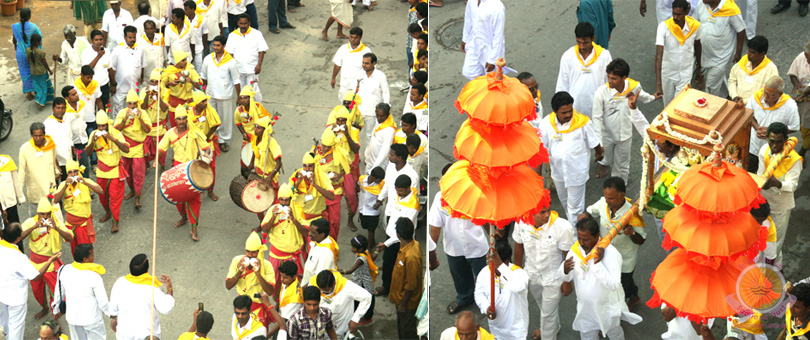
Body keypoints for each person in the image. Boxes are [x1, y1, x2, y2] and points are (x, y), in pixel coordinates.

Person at [559, 218, 642, 340]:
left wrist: (597, 264)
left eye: (586, 239)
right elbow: (567, 275)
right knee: (587, 335)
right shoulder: (576, 250)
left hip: (607, 309)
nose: (581, 243)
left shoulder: (611, 254)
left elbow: (613, 284)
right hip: (585, 308)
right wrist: (564, 270)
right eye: (579, 238)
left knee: (614, 333)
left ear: (597, 236)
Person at [429, 163, 489, 315]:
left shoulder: (475, 193)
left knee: (484, 275)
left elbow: (485, 218)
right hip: (453, 248)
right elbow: (435, 227)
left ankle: (487, 300)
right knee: (460, 277)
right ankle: (465, 297)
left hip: (477, 246)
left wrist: (494, 236)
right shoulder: (439, 198)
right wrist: (431, 251)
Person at [579, 177, 647, 310]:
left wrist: (632, 233)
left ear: (622, 195)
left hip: (625, 260)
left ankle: (623, 306)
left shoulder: (633, 214)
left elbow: (642, 240)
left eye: (611, 198)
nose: (607, 201)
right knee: (612, 283)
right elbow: (590, 212)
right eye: (606, 197)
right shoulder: (603, 203)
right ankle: (635, 296)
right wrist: (584, 217)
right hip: (606, 255)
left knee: (621, 286)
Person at [512, 205, 575, 340]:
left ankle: (548, 335)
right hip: (531, 275)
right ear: (531, 213)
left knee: (548, 314)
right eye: (542, 212)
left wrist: (567, 280)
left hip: (554, 278)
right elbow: (518, 246)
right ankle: (553, 327)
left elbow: (568, 255)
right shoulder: (521, 222)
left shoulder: (563, 227)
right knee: (544, 307)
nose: (547, 215)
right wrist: (517, 272)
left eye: (548, 210)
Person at [538, 92, 604, 220]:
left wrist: (599, 153)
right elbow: (541, 151)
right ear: (555, 111)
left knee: (575, 209)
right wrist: (538, 179)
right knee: (565, 203)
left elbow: (595, 142)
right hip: (558, 173)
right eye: (564, 113)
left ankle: (576, 237)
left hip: (577, 173)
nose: (568, 115)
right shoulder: (546, 124)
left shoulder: (583, 123)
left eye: (570, 111)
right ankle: (577, 227)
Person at [592, 59, 656, 181]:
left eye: (614, 78)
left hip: (625, 135)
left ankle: (620, 189)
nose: (609, 81)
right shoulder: (601, 93)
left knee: (622, 167)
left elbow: (642, 95)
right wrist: (599, 143)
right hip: (607, 137)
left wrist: (653, 97)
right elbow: (597, 118)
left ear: (624, 77)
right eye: (609, 77)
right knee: (610, 160)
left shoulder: (633, 87)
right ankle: (608, 168)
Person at [156, 106, 211, 240]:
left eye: (184, 118)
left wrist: (205, 154)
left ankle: (194, 228)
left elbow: (206, 147)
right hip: (177, 168)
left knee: (194, 200)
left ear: (187, 119)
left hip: (192, 168)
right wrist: (156, 159)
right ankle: (184, 217)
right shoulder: (170, 133)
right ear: (175, 120)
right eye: (179, 119)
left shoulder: (193, 131)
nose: (181, 121)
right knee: (177, 197)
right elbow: (161, 148)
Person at [0, 222, 61, 340]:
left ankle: (6, 336)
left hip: (1, 295)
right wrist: (50, 261)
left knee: (4, 321)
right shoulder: (19, 257)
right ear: (18, 238)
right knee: (16, 327)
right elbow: (36, 276)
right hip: (15, 298)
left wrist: (34, 226)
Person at [20, 198, 74, 320]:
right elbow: (19, 237)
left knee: (55, 292)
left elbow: (70, 238)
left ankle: (56, 315)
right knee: (37, 291)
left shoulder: (55, 222)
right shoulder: (31, 222)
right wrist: (34, 227)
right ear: (37, 213)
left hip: (51, 262)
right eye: (42, 214)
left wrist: (56, 228)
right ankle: (44, 308)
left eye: (47, 214)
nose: (45, 216)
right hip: (34, 263)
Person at [757, 122, 802, 266]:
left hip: (780, 208)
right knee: (760, 239)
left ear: (786, 140)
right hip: (764, 205)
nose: (775, 145)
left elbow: (792, 185)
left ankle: (773, 275)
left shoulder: (794, 160)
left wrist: (777, 184)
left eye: (779, 142)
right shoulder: (764, 150)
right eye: (772, 141)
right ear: (767, 139)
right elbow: (760, 175)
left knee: (775, 244)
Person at [109, 254, 175, 340]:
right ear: (147, 269)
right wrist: (169, 288)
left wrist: (114, 320)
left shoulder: (120, 282)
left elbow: (113, 310)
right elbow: (167, 308)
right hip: (146, 336)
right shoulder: (152, 288)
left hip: (124, 335)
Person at [52, 243, 111, 340]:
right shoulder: (94, 276)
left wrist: (56, 309)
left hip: (73, 319)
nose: (94, 257)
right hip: (91, 319)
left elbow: (59, 292)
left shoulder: (64, 269)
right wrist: (112, 315)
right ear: (85, 259)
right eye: (92, 255)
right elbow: (103, 302)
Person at [474, 240, 529, 340]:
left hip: (515, 330)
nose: (490, 267)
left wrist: (501, 267)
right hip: (496, 328)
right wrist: (486, 307)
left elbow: (518, 287)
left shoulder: (519, 274)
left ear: (506, 263)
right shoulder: (485, 272)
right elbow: (479, 293)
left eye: (493, 264)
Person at [85, 110, 130, 233]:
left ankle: (115, 222)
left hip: (115, 171)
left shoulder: (116, 133)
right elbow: (88, 153)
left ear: (107, 125)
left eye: (103, 126)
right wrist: (93, 142)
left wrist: (113, 139)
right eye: (99, 126)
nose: (101, 128)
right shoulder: (94, 134)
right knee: (103, 197)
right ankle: (107, 213)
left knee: (115, 199)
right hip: (101, 172)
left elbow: (126, 150)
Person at [556, 22, 613, 118]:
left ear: (593, 39)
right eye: (579, 42)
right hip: (574, 111)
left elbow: (610, 83)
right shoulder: (568, 56)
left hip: (598, 110)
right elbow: (563, 84)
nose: (582, 46)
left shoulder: (604, 56)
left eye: (585, 42)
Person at [376, 174, 419, 297]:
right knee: (388, 262)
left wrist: (386, 244)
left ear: (408, 188)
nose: (397, 192)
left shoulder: (412, 206)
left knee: (401, 266)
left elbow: (403, 231)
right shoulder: (399, 195)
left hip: (401, 240)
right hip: (391, 235)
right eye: (396, 190)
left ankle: (398, 290)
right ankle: (387, 286)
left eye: (400, 190)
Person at [654, 0, 703, 106]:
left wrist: (699, 67)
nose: (675, 17)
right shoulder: (664, 27)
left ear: (687, 12)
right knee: (668, 105)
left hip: (685, 73)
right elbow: (659, 56)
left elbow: (698, 46)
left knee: (680, 104)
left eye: (679, 14)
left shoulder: (694, 27)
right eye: (674, 13)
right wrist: (659, 83)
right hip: (668, 73)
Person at [746, 77, 800, 173]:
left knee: (770, 175)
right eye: (765, 92)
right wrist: (757, 128)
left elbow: (794, 126)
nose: (766, 97)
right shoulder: (756, 98)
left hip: (775, 150)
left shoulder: (790, 105)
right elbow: (749, 114)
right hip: (754, 147)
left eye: (771, 95)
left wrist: (772, 132)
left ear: (780, 94)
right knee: (750, 172)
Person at [694, 0, 745, 99]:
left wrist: (738, 52)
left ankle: (710, 106)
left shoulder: (731, 10)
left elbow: (741, 30)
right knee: (715, 79)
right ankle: (726, 95)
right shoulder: (702, 4)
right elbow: (694, 22)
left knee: (711, 86)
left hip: (720, 57)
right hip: (703, 54)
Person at [259, 184, 308, 286]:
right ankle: (278, 302)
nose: (284, 203)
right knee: (276, 282)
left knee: (294, 284)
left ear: (291, 199)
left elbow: (306, 232)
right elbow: (265, 229)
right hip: (276, 254)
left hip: (292, 256)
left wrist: (293, 219)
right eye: (281, 200)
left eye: (286, 200)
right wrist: (273, 217)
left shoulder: (297, 209)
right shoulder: (273, 209)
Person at [225, 232, 277, 328]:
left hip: (258, 309)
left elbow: (270, 291)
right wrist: (240, 271)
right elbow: (228, 286)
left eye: (253, 252)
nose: (250, 255)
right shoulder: (237, 260)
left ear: (259, 252)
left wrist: (258, 273)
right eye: (248, 251)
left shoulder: (267, 265)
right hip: (242, 309)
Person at [52, 160, 103, 255]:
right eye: (70, 172)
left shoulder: (85, 181)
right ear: (67, 174)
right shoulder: (64, 184)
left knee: (86, 252)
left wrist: (85, 183)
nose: (73, 174)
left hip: (83, 225)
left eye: (75, 171)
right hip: (71, 225)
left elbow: (100, 191)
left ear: (79, 172)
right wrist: (65, 186)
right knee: (75, 251)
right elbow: (55, 200)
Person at [200, 35, 240, 151]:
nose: (215, 48)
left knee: (225, 119)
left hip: (225, 94)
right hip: (210, 94)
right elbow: (203, 77)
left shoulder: (231, 62)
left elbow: (236, 80)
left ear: (224, 46)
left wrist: (239, 96)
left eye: (218, 45)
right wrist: (203, 91)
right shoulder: (208, 59)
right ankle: (211, 138)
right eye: (214, 45)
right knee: (210, 117)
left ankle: (224, 140)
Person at [114, 90, 152, 209]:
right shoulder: (122, 113)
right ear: (127, 104)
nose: (132, 106)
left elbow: (147, 130)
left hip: (138, 148)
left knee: (138, 174)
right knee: (128, 174)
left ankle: (137, 197)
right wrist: (125, 119)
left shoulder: (143, 113)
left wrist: (140, 118)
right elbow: (116, 130)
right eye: (130, 104)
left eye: (134, 104)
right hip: (126, 148)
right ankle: (131, 190)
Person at [310, 270, 372, 339]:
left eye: (326, 291)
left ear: (334, 284)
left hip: (339, 326)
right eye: (321, 290)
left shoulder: (347, 287)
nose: (323, 293)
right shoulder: (313, 284)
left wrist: (355, 319)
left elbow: (367, 297)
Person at [388, 218, 423, 339]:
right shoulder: (409, 246)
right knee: (402, 328)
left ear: (398, 234)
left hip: (407, 302)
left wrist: (403, 304)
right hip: (400, 298)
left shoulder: (411, 256)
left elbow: (411, 284)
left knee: (407, 331)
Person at [328, 106, 361, 231]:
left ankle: (350, 219)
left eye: (343, 120)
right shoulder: (331, 131)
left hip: (348, 169)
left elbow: (356, 149)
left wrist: (346, 134)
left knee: (351, 196)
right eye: (338, 120)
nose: (340, 123)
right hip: (334, 167)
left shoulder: (353, 131)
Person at [315, 130, 350, 239]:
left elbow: (347, 168)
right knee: (320, 221)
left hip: (335, 191)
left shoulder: (340, 154)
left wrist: (339, 175)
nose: (325, 149)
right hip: (319, 191)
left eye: (328, 147)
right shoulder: (315, 151)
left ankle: (333, 243)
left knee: (334, 221)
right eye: (323, 145)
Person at [19, 122, 61, 210]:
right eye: (35, 136)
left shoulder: (50, 145)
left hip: (50, 189)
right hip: (35, 191)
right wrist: (19, 192)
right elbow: (22, 172)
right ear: (31, 135)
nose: (38, 138)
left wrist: (57, 173)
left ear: (44, 134)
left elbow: (53, 162)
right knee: (37, 219)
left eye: (40, 135)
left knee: (55, 218)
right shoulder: (24, 149)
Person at [188, 91, 222, 201]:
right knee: (195, 168)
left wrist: (207, 137)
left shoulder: (209, 111)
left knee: (211, 168)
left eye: (205, 100)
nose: (205, 103)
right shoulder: (189, 113)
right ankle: (196, 189)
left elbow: (216, 124)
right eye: (202, 101)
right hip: (195, 145)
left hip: (208, 144)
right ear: (197, 103)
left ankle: (210, 190)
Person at [226, 14, 268, 102]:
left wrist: (259, 65)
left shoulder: (256, 34)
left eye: (245, 23)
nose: (243, 26)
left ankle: (258, 110)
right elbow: (230, 54)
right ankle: (245, 112)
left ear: (249, 23)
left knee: (254, 91)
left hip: (252, 69)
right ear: (238, 23)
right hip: (239, 69)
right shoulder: (232, 35)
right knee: (242, 93)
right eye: (241, 23)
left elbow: (262, 50)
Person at [460, 0, 504, 80]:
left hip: (490, 47)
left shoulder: (497, 7)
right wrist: (465, 39)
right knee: (469, 72)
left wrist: (493, 59)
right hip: (474, 43)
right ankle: (482, 88)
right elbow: (468, 19)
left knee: (493, 78)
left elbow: (498, 36)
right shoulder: (472, 1)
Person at [339, 235, 378, 324]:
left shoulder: (360, 259)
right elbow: (372, 258)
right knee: (366, 297)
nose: (351, 249)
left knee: (362, 298)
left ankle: (367, 317)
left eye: (353, 247)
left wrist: (341, 272)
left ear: (360, 249)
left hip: (362, 282)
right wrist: (377, 251)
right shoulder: (366, 252)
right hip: (365, 280)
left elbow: (351, 270)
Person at [729, 36, 779, 106]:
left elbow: (770, 93)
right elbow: (732, 80)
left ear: (762, 54)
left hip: (757, 107)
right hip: (736, 103)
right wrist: (734, 96)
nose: (749, 54)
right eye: (748, 51)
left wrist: (745, 102)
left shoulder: (771, 70)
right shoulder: (742, 62)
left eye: (753, 52)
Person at [289, 153, 336, 226]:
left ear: (315, 166)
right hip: (299, 218)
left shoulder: (323, 177)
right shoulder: (296, 175)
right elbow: (288, 193)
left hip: (316, 220)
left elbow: (332, 196)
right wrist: (298, 183)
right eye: (305, 166)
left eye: (310, 166)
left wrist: (314, 185)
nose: (307, 169)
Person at [249, 116, 283, 213]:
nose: (255, 129)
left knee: (272, 202)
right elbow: (255, 149)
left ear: (265, 129)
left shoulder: (271, 143)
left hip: (269, 177)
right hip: (258, 173)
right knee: (258, 202)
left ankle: (273, 222)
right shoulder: (255, 138)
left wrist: (270, 176)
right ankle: (262, 222)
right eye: (255, 126)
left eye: (259, 128)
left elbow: (279, 163)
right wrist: (252, 162)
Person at [75, 66, 105, 174]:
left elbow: (99, 101)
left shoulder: (95, 85)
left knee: (93, 141)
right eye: (87, 77)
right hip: (79, 120)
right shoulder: (74, 87)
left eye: (91, 77)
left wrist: (102, 115)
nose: (89, 80)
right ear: (81, 75)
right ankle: (81, 164)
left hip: (91, 119)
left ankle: (94, 163)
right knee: (81, 143)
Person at [110, 26, 146, 116]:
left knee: (133, 112)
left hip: (134, 87)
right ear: (125, 37)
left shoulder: (140, 49)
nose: (132, 39)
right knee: (118, 111)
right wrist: (113, 84)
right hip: (120, 87)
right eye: (130, 37)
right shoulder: (118, 50)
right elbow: (111, 68)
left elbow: (142, 66)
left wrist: (141, 81)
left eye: (134, 37)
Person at [356, 54, 391, 146]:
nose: (364, 65)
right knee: (357, 135)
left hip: (372, 112)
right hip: (359, 111)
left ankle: (369, 157)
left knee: (370, 136)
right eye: (363, 63)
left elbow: (385, 93)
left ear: (374, 63)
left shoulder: (380, 76)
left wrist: (385, 108)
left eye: (367, 63)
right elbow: (354, 90)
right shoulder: (359, 74)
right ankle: (356, 157)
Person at [235, 86, 271, 169]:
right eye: (241, 98)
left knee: (262, 161)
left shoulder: (258, 108)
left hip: (260, 138)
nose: (243, 100)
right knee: (245, 161)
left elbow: (268, 121)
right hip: (248, 138)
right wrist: (243, 133)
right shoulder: (238, 111)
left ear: (250, 98)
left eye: (245, 98)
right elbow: (238, 123)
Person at [162, 51, 202, 125]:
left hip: (188, 104)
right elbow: (161, 85)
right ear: (177, 61)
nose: (186, 62)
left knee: (189, 128)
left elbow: (201, 86)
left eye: (186, 59)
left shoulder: (189, 69)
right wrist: (169, 83)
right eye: (183, 60)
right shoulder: (169, 70)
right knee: (175, 129)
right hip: (174, 105)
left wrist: (191, 82)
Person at [331, 28, 372, 99]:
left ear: (360, 38)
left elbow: (370, 69)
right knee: (344, 104)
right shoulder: (343, 48)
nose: (352, 40)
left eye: (356, 38)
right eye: (351, 37)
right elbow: (338, 64)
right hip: (345, 83)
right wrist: (333, 78)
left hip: (359, 85)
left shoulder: (366, 51)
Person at [141, 70, 169, 171]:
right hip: (148, 128)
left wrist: (157, 95)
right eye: (152, 81)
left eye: (156, 82)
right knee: (146, 150)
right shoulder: (144, 90)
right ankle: (147, 163)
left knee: (161, 151)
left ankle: (162, 166)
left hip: (159, 127)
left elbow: (164, 108)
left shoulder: (165, 92)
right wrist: (148, 95)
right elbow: (142, 107)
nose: (153, 84)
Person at [11, 8, 42, 101]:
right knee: (34, 71)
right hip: (32, 52)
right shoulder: (33, 27)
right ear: (29, 16)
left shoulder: (16, 27)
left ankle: (29, 94)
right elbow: (40, 38)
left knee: (24, 73)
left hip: (20, 53)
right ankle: (36, 90)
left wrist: (16, 47)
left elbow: (14, 40)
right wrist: (39, 50)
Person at [62, 86, 90, 178]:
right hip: (72, 144)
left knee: (85, 165)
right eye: (73, 94)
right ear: (67, 98)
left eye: (76, 93)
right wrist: (70, 145)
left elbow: (84, 119)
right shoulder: (64, 110)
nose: (77, 95)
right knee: (72, 168)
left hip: (83, 140)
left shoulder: (81, 103)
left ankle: (86, 186)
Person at [44, 97, 74, 180]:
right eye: (58, 108)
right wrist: (55, 164)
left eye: (63, 108)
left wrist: (72, 147)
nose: (61, 110)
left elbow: (69, 135)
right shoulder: (48, 124)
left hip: (69, 159)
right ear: (53, 108)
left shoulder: (66, 119)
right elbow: (48, 146)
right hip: (58, 162)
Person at [81, 30, 113, 108]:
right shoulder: (86, 53)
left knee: (104, 111)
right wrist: (98, 56)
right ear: (92, 41)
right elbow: (86, 70)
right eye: (96, 40)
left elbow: (110, 68)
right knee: (91, 110)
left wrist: (113, 84)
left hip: (104, 86)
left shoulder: (107, 51)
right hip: (91, 86)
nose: (99, 42)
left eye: (101, 39)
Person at [302, 218, 339, 284]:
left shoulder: (326, 253)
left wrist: (303, 289)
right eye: (310, 230)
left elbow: (319, 278)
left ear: (322, 234)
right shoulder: (318, 241)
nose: (309, 234)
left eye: (313, 232)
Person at [0, 153, 27, 242]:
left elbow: (16, 181)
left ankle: (19, 251)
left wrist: (20, 198)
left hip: (11, 204)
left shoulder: (7, 161)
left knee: (16, 231)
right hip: (0, 209)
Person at [365, 104, 396, 173]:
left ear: (388, 114)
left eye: (382, 116)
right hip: (370, 160)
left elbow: (385, 151)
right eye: (377, 115)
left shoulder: (389, 130)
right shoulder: (379, 122)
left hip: (378, 165)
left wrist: (375, 167)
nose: (379, 118)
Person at [358, 167, 385, 248]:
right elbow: (358, 185)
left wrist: (379, 202)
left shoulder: (381, 185)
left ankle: (369, 247)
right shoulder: (362, 180)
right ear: (373, 177)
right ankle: (372, 241)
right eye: (379, 179)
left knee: (371, 230)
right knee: (364, 226)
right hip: (362, 209)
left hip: (373, 212)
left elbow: (384, 195)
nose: (381, 181)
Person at [27, 34, 55, 109]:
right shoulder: (40, 52)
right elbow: (44, 63)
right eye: (40, 41)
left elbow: (28, 60)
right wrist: (49, 70)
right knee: (44, 87)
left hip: (33, 72)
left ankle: (39, 99)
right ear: (37, 43)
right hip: (41, 72)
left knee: (37, 86)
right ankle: (41, 102)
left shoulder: (28, 50)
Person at [276, 260, 304, 328]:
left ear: (294, 277)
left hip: (289, 327)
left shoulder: (295, 299)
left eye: (285, 277)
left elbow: (284, 321)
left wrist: (267, 336)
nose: (282, 279)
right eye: (281, 276)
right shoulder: (287, 282)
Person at [184, 1, 209, 72]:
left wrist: (205, 46)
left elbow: (205, 33)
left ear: (192, 9)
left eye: (187, 9)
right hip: (187, 50)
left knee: (199, 70)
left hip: (198, 49)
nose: (185, 11)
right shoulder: (183, 20)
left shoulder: (201, 19)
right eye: (184, 9)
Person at [138, 21, 164, 86]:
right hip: (147, 76)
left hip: (160, 73)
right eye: (147, 29)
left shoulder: (160, 38)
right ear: (144, 30)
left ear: (155, 29)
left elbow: (164, 54)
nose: (149, 31)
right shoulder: (140, 41)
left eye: (151, 29)